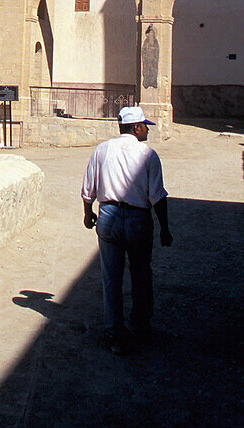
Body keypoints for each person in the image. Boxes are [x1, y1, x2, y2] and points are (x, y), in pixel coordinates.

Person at [81, 105, 172, 354]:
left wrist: (88, 214)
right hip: (138, 219)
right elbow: (157, 197)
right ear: (135, 127)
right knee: (141, 274)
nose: (147, 131)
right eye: (145, 126)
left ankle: (114, 336)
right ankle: (140, 327)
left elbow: (88, 188)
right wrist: (164, 228)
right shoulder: (148, 155)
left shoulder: (102, 150)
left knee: (111, 278)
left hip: (108, 216)